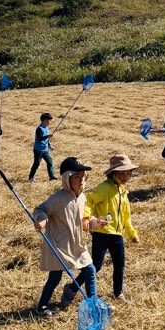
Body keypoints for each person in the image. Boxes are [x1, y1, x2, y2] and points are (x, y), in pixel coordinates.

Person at [32, 157, 106, 317]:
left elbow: (84, 222)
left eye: (83, 176)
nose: (81, 181)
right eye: (76, 177)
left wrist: (95, 223)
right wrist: (42, 219)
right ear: (67, 179)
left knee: (90, 270)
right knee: (55, 277)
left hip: (77, 244)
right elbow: (41, 209)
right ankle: (42, 306)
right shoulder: (58, 198)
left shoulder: (83, 198)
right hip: (60, 245)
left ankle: (93, 304)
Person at [85, 154, 140, 301]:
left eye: (128, 174)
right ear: (113, 173)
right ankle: (72, 287)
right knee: (96, 265)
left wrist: (131, 233)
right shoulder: (104, 188)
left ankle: (118, 292)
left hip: (117, 234)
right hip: (101, 232)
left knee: (120, 264)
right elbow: (89, 200)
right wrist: (88, 219)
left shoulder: (122, 191)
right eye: (122, 174)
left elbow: (125, 216)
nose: (125, 177)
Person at [29, 113, 57, 181]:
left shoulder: (46, 128)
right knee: (36, 164)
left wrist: (50, 146)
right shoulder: (39, 128)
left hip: (45, 150)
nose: (50, 122)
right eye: (49, 120)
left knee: (50, 162)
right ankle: (31, 178)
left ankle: (52, 176)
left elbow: (46, 140)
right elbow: (40, 138)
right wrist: (48, 136)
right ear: (44, 120)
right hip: (38, 150)